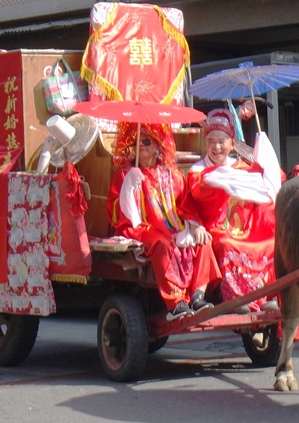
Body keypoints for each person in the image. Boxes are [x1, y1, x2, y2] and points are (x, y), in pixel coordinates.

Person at [106, 122, 220, 320]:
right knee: (162, 243)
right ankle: (175, 303)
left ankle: (198, 297)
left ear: (157, 145)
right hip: (139, 228)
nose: (140, 145)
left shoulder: (173, 174)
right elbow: (114, 213)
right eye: (135, 141)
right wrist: (128, 190)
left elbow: (186, 204)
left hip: (174, 226)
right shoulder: (124, 174)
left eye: (146, 141)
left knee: (204, 241)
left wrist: (196, 226)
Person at [186, 108, 282, 314]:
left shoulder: (243, 166)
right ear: (205, 143)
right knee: (227, 244)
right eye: (211, 141)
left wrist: (264, 157)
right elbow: (200, 192)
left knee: (270, 241)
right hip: (216, 228)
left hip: (246, 227)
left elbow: (273, 179)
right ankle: (237, 298)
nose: (216, 147)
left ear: (231, 143)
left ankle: (266, 296)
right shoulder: (198, 171)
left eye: (222, 141)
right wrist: (225, 178)